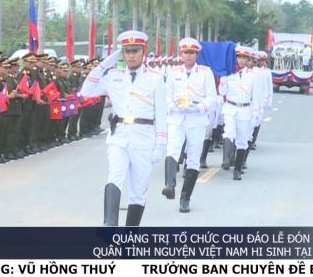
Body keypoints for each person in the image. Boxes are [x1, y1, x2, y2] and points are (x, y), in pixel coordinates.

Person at [80, 30, 168, 226]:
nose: (131, 55)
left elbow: (162, 114)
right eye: (126, 51)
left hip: (144, 139)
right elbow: (86, 91)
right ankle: (110, 224)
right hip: (119, 137)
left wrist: (160, 145)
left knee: (138, 191)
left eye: (135, 51)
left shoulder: (155, 78)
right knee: (115, 177)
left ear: (143, 51)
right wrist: (104, 64)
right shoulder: (113, 76)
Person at [163, 38, 216, 213]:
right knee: (172, 149)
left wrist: (199, 107)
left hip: (196, 120)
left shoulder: (205, 73)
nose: (188, 56)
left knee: (193, 159)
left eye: (191, 53)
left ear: (196, 55)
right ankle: (169, 184)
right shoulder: (173, 72)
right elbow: (167, 96)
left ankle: (185, 199)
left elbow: (212, 98)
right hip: (177, 117)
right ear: (181, 53)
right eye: (185, 52)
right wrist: (173, 106)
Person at [219, 46, 265, 180]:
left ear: (249, 59)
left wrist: (256, 115)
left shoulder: (254, 76)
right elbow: (222, 93)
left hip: (245, 109)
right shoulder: (229, 73)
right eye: (239, 57)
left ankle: (237, 169)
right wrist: (223, 80)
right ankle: (226, 159)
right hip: (230, 107)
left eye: (244, 58)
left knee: (242, 140)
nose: (241, 60)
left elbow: (257, 96)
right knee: (229, 132)